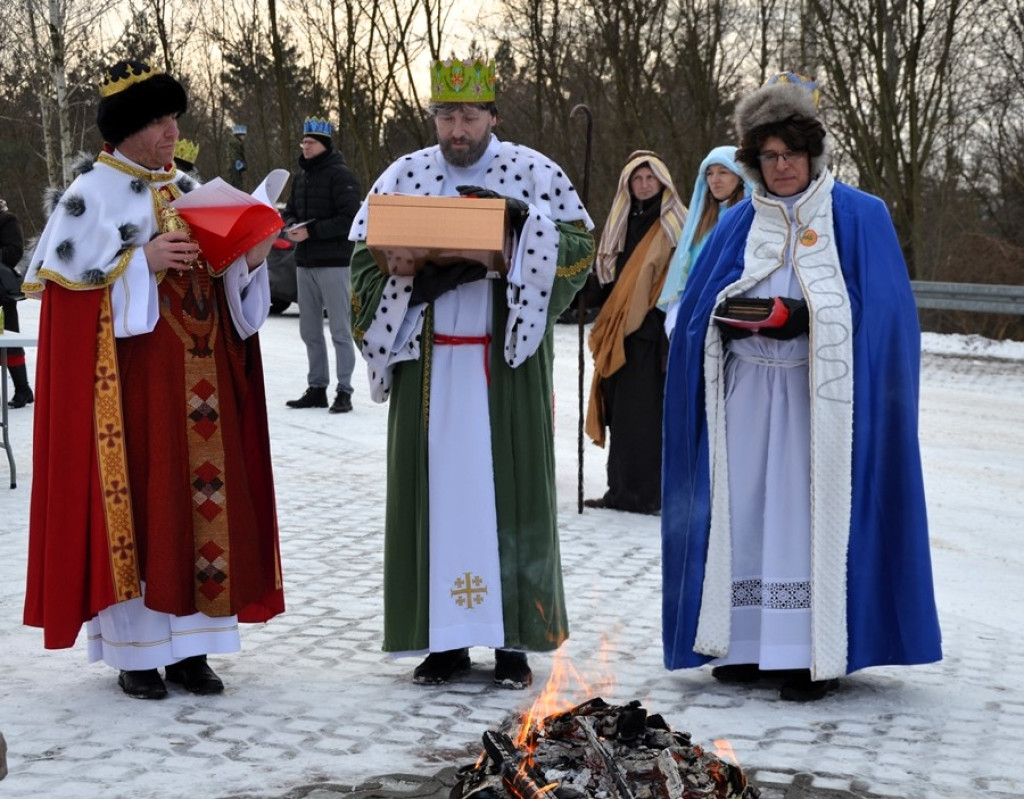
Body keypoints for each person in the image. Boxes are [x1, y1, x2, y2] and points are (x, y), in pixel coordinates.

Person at [661, 72, 941, 702]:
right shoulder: (738, 223)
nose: (781, 166)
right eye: (768, 156)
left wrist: (812, 325)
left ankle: (810, 654)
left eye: (790, 153)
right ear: (754, 161)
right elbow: (698, 308)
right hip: (747, 396)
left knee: (802, 514)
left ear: (812, 152)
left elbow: (889, 323)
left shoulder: (858, 215)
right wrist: (726, 325)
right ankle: (749, 643)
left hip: (818, 403)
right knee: (748, 513)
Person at [22, 60, 285, 700]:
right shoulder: (92, 193)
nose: (172, 132)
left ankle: (193, 651)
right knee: (145, 507)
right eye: (159, 120)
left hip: (202, 387)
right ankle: (135, 653)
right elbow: (68, 305)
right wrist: (141, 261)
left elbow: (222, 289)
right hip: (134, 394)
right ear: (129, 127)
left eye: (174, 119)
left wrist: (248, 258)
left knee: (201, 508)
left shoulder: (191, 187)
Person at [348, 57, 595, 689]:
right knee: (439, 498)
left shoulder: (535, 171)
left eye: (469, 116)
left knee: (507, 494)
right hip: (427, 364)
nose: (457, 130)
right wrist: (416, 279)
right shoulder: (405, 174)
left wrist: (518, 227)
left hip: (502, 364)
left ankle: (512, 642)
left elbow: (576, 252)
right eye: (446, 117)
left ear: (493, 117)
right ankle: (445, 642)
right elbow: (363, 264)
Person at [583, 151, 686, 515]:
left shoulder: (676, 225)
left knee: (644, 417)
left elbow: (679, 278)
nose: (643, 185)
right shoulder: (621, 221)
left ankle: (646, 495)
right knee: (621, 416)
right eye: (637, 179)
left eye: (650, 179)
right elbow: (610, 279)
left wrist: (655, 321)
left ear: (663, 183)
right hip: (618, 331)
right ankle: (620, 490)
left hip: (651, 335)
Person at [282, 117, 361, 413]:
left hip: (334, 264)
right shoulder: (300, 177)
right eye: (303, 142)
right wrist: (290, 225)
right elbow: (290, 210)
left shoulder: (341, 176)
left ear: (324, 145)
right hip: (305, 263)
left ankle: (345, 390)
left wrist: (312, 232)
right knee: (310, 330)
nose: (305, 147)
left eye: (311, 143)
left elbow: (350, 219)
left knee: (340, 329)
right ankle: (317, 387)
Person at [657, 146, 749, 338]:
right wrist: (674, 322)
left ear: (740, 176)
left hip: (735, 321)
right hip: (693, 321)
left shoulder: (751, 219)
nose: (715, 180)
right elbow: (684, 275)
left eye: (723, 172)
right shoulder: (699, 225)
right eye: (710, 173)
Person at [0, 196, 33, 408]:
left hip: (0, 293)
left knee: (8, 341)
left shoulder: (7, 219)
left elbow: (15, 251)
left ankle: (23, 389)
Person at [227, 124, 247, 189]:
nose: (244, 137)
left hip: (234, 167)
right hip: (234, 167)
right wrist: (239, 163)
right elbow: (235, 155)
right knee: (237, 185)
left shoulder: (236, 142)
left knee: (236, 183)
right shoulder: (235, 142)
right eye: (243, 135)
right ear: (239, 135)